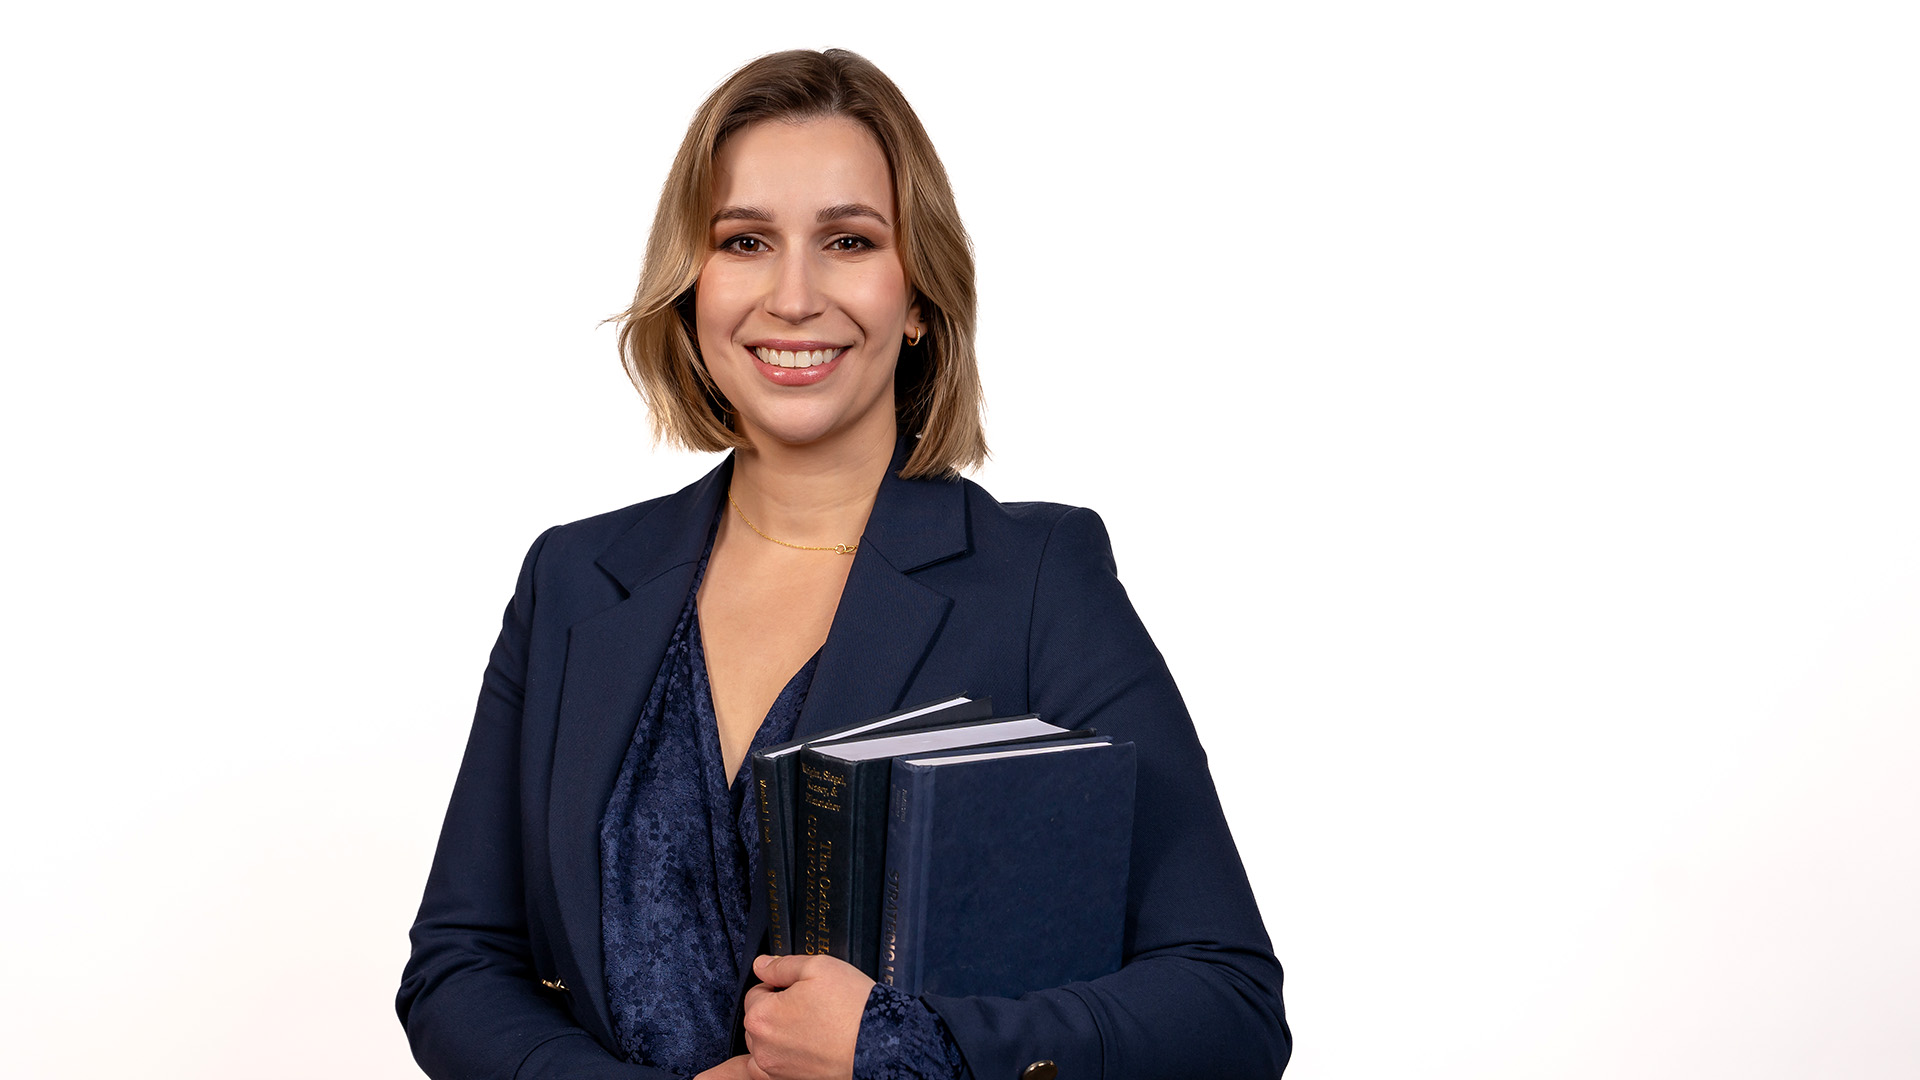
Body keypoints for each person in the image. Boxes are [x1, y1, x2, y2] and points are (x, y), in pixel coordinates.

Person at [397, 48, 1291, 1080]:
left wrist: (899, 1050)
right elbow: (461, 967)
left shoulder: (1040, 580)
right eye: (744, 241)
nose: (792, 295)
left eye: (849, 240)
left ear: (918, 298)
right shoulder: (574, 579)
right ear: (692, 290)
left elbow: (1226, 1003)